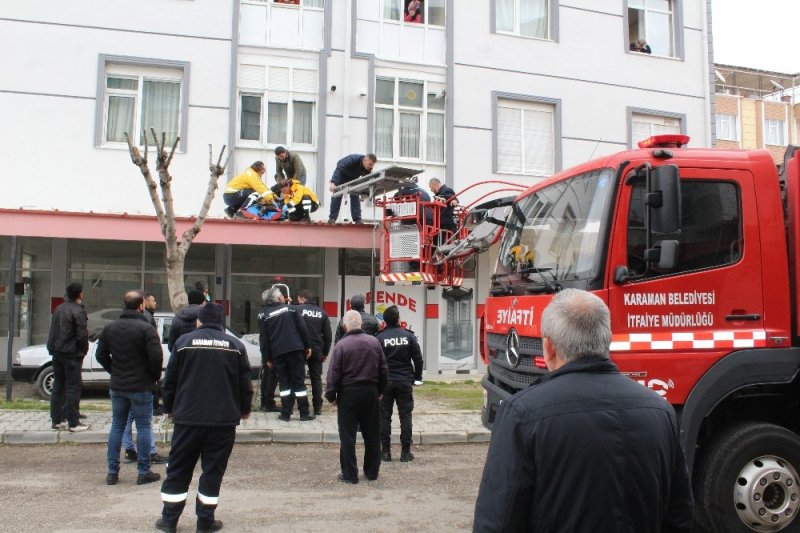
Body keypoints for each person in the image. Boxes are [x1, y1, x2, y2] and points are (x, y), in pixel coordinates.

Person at [472, 289, 693, 532]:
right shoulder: (660, 411)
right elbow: (679, 516)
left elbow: (498, 521)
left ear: (549, 347)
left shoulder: (522, 415)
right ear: (607, 339)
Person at [156, 303, 253, 533]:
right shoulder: (236, 346)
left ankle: (169, 521)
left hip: (188, 419)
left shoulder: (182, 343)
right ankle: (205, 522)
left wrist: (168, 408)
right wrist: (245, 409)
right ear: (221, 323)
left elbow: (169, 381)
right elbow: (245, 385)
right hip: (222, 421)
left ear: (199, 320)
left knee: (178, 469)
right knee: (212, 472)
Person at [95, 290, 163, 486]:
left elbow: (101, 354)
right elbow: (156, 357)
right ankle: (143, 471)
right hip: (141, 386)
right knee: (143, 427)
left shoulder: (110, 328)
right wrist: (154, 377)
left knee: (117, 425)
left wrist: (113, 370)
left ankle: (112, 472)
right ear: (141, 305)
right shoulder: (146, 329)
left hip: (118, 385)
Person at [325, 310, 388, 484]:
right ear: (360, 324)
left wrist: (331, 395)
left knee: (347, 435)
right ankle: (372, 471)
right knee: (372, 434)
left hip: (348, 394)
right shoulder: (374, 342)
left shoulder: (342, 346)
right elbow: (384, 370)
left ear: (345, 326)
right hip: (370, 392)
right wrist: (379, 390)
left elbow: (334, 373)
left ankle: (350, 474)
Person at [257, 286, 315, 421]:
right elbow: (302, 329)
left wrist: (267, 358)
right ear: (279, 298)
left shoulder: (263, 314)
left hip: (278, 352)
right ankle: (304, 413)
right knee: (299, 381)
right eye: (282, 295)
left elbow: (264, 339)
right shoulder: (291, 309)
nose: (284, 297)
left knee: (284, 383)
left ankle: (285, 413)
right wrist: (307, 346)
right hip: (295, 350)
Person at [376, 305, 423, 463]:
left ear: (385, 321)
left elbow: (375, 361)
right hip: (404, 381)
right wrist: (417, 378)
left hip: (385, 383)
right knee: (405, 416)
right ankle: (405, 453)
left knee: (384, 417)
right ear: (398, 319)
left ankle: (385, 453)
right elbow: (418, 358)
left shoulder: (379, 337)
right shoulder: (408, 336)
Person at [47, 282, 90, 432]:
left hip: (57, 352)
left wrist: (51, 349)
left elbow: (53, 331)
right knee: (73, 388)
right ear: (80, 294)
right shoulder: (78, 311)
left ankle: (56, 420)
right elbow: (82, 334)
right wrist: (83, 350)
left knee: (58, 387)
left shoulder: (58, 308)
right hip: (72, 354)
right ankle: (74, 423)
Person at [293, 289, 332, 416]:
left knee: (298, 377)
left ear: (303, 299)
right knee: (316, 378)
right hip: (316, 349)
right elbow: (327, 335)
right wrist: (325, 352)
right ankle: (317, 407)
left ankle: (298, 404)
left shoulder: (297, 310)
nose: (297, 302)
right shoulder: (322, 313)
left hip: (299, 348)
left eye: (298, 299)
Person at [328, 153, 377, 224]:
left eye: (372, 165)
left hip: (352, 178)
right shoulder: (352, 159)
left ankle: (357, 219)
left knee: (355, 193)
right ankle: (332, 218)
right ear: (365, 160)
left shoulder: (368, 169)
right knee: (337, 194)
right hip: (342, 174)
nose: (371, 167)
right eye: (370, 164)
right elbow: (339, 170)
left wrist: (364, 194)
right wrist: (333, 183)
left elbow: (367, 181)